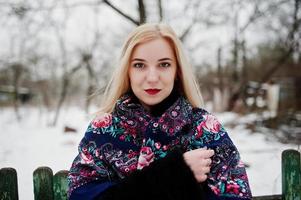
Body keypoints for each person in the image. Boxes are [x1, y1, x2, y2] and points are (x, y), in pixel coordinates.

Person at [67, 23, 252, 200]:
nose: (153, 77)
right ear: (127, 71)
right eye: (139, 65)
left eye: (164, 64)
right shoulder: (103, 130)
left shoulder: (204, 128)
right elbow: (81, 196)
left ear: (177, 71)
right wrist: (174, 174)